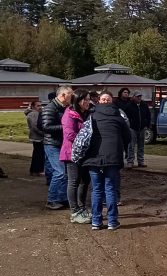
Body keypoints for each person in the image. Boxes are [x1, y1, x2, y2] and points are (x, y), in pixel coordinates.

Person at [81, 91, 131, 230]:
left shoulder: (92, 116)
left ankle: (96, 221)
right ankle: (112, 221)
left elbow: (85, 135)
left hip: (93, 157)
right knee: (110, 189)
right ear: (111, 101)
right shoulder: (119, 118)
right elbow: (128, 137)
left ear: (99, 101)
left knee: (96, 190)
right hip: (113, 157)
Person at [60, 89, 92, 224]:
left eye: (89, 99)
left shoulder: (87, 114)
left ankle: (82, 207)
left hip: (84, 154)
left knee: (85, 180)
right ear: (77, 101)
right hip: (71, 153)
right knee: (74, 181)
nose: (87, 102)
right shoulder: (69, 114)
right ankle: (75, 211)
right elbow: (69, 134)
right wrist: (86, 140)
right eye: (84, 99)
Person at [42, 86, 74, 210]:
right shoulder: (50, 108)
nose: (72, 97)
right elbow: (46, 126)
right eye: (71, 94)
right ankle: (52, 199)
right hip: (52, 144)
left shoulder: (64, 108)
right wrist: (65, 127)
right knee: (60, 172)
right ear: (63, 95)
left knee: (65, 172)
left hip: (61, 143)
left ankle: (62, 198)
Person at [125, 91, 150, 168]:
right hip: (132, 128)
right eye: (137, 96)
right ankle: (130, 161)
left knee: (141, 146)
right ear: (134, 97)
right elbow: (126, 117)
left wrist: (147, 124)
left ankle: (141, 161)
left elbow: (148, 115)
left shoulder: (144, 105)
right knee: (131, 146)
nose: (139, 98)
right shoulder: (129, 106)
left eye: (140, 96)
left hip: (142, 128)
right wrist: (128, 126)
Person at [26, 101, 45, 177]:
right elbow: (34, 126)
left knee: (39, 153)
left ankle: (36, 170)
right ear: (33, 107)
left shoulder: (38, 113)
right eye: (38, 106)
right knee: (38, 154)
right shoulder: (32, 114)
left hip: (39, 137)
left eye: (41, 105)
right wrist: (43, 133)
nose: (40, 107)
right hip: (37, 137)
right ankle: (36, 170)